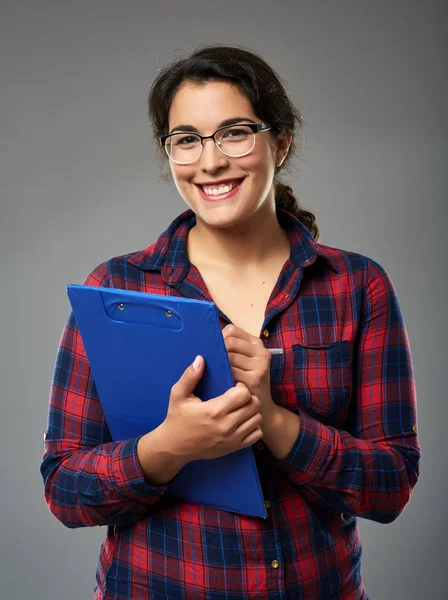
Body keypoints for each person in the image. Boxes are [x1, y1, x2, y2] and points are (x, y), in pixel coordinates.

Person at [40, 44, 421, 600]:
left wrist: (274, 420)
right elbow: (64, 490)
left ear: (281, 140)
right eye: (186, 140)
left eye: (235, 132)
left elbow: (391, 486)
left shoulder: (356, 286)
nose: (210, 161)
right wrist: (168, 447)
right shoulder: (114, 289)